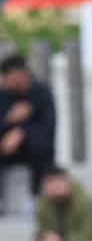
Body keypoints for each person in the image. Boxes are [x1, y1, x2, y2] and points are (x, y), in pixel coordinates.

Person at [0, 54, 57, 198]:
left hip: (36, 150)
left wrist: (22, 131)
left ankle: (37, 197)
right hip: (6, 148)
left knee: (39, 146)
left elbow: (49, 131)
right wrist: (8, 120)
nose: (6, 83)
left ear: (21, 75)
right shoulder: (3, 95)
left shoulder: (42, 93)